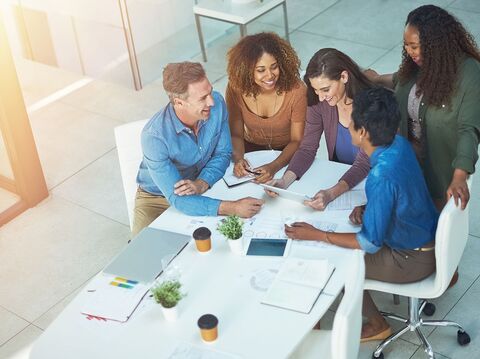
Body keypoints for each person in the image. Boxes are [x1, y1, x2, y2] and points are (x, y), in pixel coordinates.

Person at [284, 87, 439, 341]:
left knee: (338, 264)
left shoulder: (379, 176)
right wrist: (370, 207)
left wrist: (316, 234)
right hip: (427, 239)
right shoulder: (398, 144)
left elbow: (368, 242)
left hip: (411, 258)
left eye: (352, 122)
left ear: (363, 132)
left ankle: (377, 324)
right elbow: (403, 191)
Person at [365, 5, 480, 211]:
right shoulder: (415, 66)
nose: (410, 52)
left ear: (436, 45)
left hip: (438, 172)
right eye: (406, 45)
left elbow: (468, 130)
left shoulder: (469, 73)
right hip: (406, 164)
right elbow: (399, 81)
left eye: (415, 46)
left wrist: (460, 175)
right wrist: (375, 79)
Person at [133, 62, 264, 236]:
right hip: (155, 197)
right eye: (202, 98)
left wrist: (202, 183)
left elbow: (222, 153)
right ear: (179, 103)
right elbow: (179, 199)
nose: (211, 101)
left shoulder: (216, 103)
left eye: (209, 92)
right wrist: (232, 207)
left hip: (201, 182)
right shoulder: (154, 136)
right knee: (141, 253)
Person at [267, 48, 372, 210]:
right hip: (342, 179)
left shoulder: (372, 104)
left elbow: (364, 163)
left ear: (344, 77)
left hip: (371, 185)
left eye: (325, 89)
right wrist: (284, 181)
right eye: (316, 90)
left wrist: (331, 193)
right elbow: (307, 148)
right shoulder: (319, 103)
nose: (321, 97)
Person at [226, 32, 307, 183]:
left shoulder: (297, 91)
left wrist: (274, 166)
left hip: (286, 154)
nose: (270, 76)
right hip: (250, 152)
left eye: (274, 67)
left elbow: (297, 140)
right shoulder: (235, 87)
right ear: (246, 70)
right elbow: (236, 134)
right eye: (261, 70)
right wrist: (238, 159)